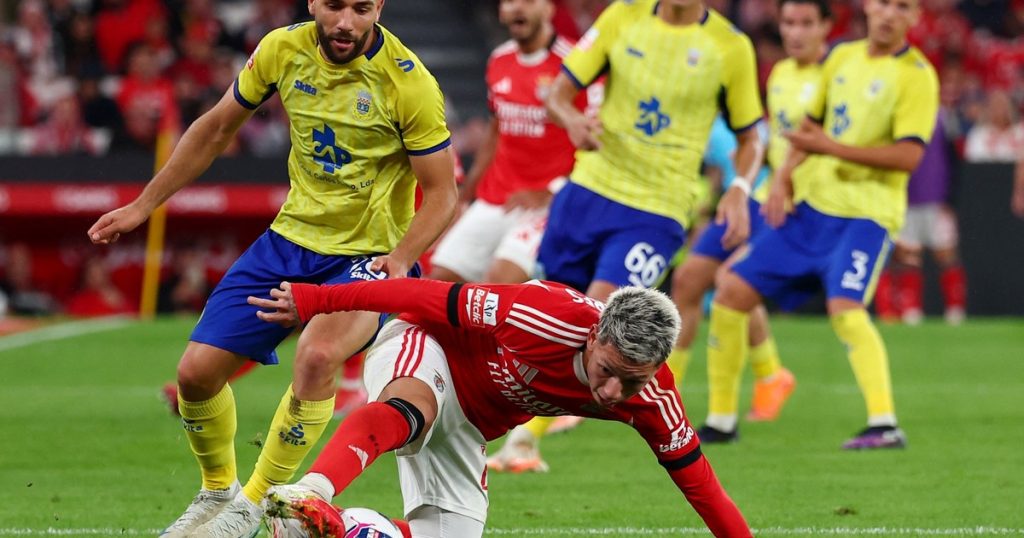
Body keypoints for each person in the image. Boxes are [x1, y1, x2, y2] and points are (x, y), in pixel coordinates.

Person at [86, 1, 457, 536]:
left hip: (368, 255)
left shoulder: (409, 83)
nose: (346, 22)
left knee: (318, 355)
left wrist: (399, 260)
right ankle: (217, 490)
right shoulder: (282, 49)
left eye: (361, 8)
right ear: (312, 3)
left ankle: (253, 506)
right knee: (195, 374)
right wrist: (144, 205)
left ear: (379, 7)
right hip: (288, 242)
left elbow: (443, 194)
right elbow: (216, 129)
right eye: (334, 5)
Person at [248, 278, 752, 538]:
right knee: (415, 410)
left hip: (470, 423)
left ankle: (332, 527)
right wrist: (316, 300)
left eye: (633, 380)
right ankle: (311, 492)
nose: (614, 391)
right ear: (594, 336)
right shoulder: (541, 315)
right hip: (428, 343)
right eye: (608, 370)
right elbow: (419, 294)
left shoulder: (655, 399)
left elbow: (703, 488)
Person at [491, 0, 766, 473]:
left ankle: (522, 441)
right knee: (551, 315)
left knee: (600, 313)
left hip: (658, 209)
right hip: (589, 190)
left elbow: (750, 137)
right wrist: (572, 120)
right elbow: (558, 94)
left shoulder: (730, 46)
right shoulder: (623, 16)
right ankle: (502, 418)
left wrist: (740, 188)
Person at [700, 0, 938, 449]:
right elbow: (810, 128)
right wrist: (783, 177)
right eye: (883, 3)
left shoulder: (917, 75)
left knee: (845, 307)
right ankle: (721, 421)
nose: (889, 14)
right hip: (813, 209)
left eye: (902, 6)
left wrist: (832, 149)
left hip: (867, 215)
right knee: (730, 291)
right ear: (868, 7)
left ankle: (884, 424)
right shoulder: (843, 57)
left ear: (915, 17)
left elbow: (909, 156)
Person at [667, 0, 833, 426]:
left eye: (806, 23)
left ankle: (755, 384)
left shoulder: (836, 77)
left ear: (825, 28)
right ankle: (666, 388)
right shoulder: (778, 75)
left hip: (799, 204)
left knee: (733, 282)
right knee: (688, 278)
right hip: (760, 193)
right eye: (789, 23)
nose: (795, 33)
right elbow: (767, 141)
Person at [430, 0, 590, 286]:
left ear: (548, 8)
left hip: (547, 204)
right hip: (497, 197)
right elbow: (496, 130)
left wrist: (550, 191)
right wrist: (466, 194)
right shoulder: (499, 60)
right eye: (509, 1)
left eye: (528, 1)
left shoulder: (577, 64)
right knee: (440, 280)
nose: (517, 8)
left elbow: (594, 140)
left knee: (499, 283)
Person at [874, 113, 967, 325]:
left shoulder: (944, 118)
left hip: (937, 200)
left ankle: (956, 311)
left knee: (946, 254)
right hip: (906, 200)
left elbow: (956, 159)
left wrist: (952, 199)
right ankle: (911, 311)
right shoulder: (898, 115)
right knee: (909, 257)